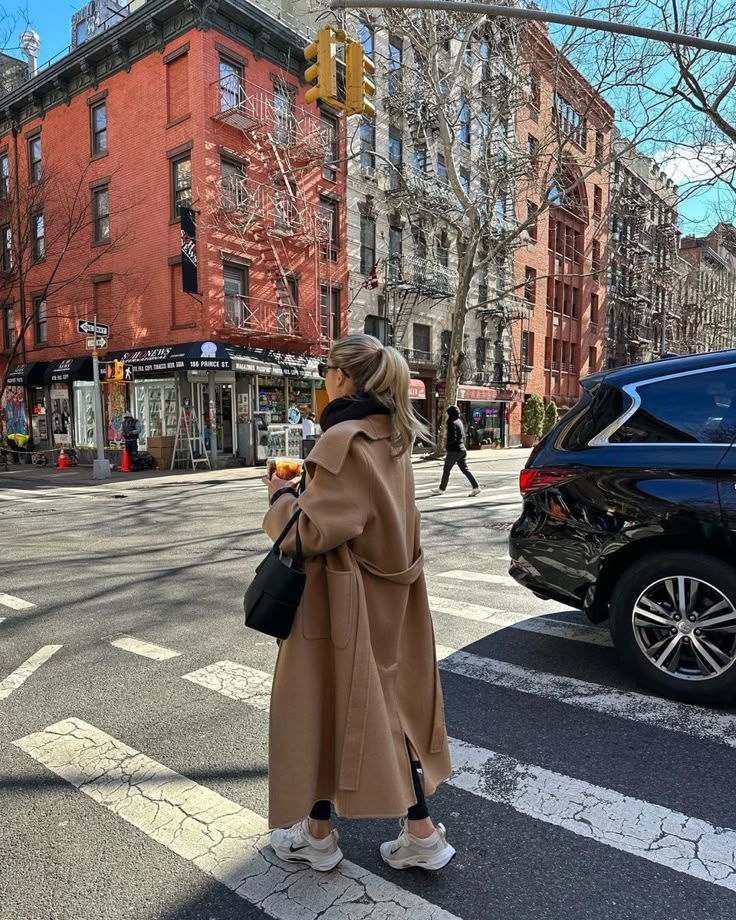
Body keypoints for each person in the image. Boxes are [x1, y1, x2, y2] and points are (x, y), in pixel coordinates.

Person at [262, 333, 454, 873]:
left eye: (327, 370)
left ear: (342, 378)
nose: (324, 379)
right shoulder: (391, 437)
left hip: (345, 608)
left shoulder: (343, 441)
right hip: (393, 600)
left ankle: (324, 838)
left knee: (326, 707)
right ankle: (411, 834)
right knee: (385, 712)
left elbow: (307, 534)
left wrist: (278, 497)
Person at [432, 405, 481, 496]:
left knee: (446, 470)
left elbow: (452, 437)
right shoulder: (459, 421)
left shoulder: (451, 422)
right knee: (465, 469)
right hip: (462, 449)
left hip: (454, 450)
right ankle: (476, 487)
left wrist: (447, 447)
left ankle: (441, 489)